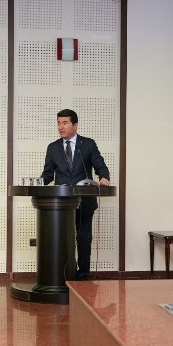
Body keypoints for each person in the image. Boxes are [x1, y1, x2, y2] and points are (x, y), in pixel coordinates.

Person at [41, 109, 110, 280]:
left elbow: (100, 165)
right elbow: (48, 174)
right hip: (62, 202)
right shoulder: (53, 147)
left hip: (84, 200)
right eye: (58, 123)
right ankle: (64, 272)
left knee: (83, 237)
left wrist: (104, 177)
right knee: (63, 238)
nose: (60, 127)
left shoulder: (88, 144)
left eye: (65, 123)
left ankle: (83, 273)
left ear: (75, 125)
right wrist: (39, 182)